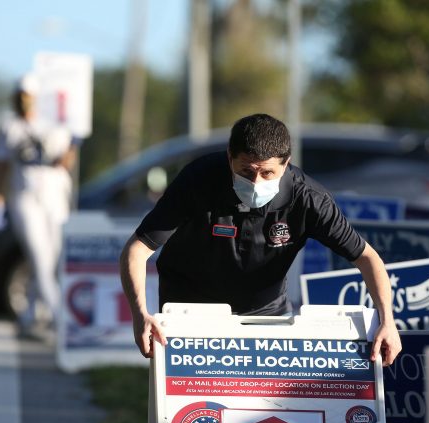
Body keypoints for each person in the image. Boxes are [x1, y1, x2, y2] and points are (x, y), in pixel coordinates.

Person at [120, 113, 401, 365]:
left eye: (267, 173)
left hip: (264, 312)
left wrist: (387, 320)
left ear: (286, 164)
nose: (255, 183)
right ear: (229, 157)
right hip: (189, 307)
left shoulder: (309, 200)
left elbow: (367, 257)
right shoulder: (198, 180)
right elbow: (136, 250)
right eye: (245, 171)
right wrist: (140, 315)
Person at [0, 73, 77, 339]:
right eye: (20, 96)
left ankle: (30, 316)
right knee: (39, 258)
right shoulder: (9, 127)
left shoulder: (54, 125)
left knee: (50, 259)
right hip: (24, 196)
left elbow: (65, 162)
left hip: (53, 196)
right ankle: (60, 319)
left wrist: (73, 142)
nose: (24, 101)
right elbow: (2, 165)